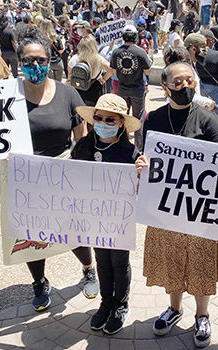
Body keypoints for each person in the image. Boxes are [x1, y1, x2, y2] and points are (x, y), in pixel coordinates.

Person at [0, 27, 99, 312]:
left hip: (61, 174)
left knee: (72, 229)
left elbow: (81, 139)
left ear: (50, 60)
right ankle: (39, 283)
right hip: (23, 176)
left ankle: (88, 269)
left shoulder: (68, 94)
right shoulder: (5, 96)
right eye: (29, 61)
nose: (36, 66)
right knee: (32, 233)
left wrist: (76, 163)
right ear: (19, 63)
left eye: (41, 60)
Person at [135, 61, 218, 348]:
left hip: (199, 209)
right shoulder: (153, 118)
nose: (185, 87)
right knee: (171, 259)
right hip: (166, 207)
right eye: (178, 82)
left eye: (190, 81)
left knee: (200, 262)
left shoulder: (208, 120)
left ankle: (202, 314)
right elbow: (146, 153)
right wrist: (142, 163)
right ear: (165, 87)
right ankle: (174, 309)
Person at [72, 94, 141, 334]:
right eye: (98, 118)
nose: (102, 122)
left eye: (110, 120)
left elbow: (140, 190)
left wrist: (142, 174)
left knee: (119, 261)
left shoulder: (130, 153)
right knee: (102, 258)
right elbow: (68, 176)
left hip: (120, 218)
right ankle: (106, 302)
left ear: (121, 122)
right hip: (94, 216)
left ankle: (121, 304)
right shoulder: (83, 145)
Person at [110, 25, 151, 151]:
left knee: (121, 118)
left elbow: (114, 71)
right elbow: (147, 71)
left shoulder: (116, 51)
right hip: (137, 90)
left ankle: (121, 144)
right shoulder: (140, 52)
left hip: (122, 89)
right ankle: (139, 148)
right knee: (138, 119)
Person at [194, 30, 218, 123]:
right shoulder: (216, 55)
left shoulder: (194, 54)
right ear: (210, 41)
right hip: (213, 87)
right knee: (214, 115)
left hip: (199, 86)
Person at [68, 35, 112, 106]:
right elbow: (110, 69)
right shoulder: (99, 59)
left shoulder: (74, 58)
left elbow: (69, 76)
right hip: (95, 89)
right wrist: (104, 79)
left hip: (78, 88)